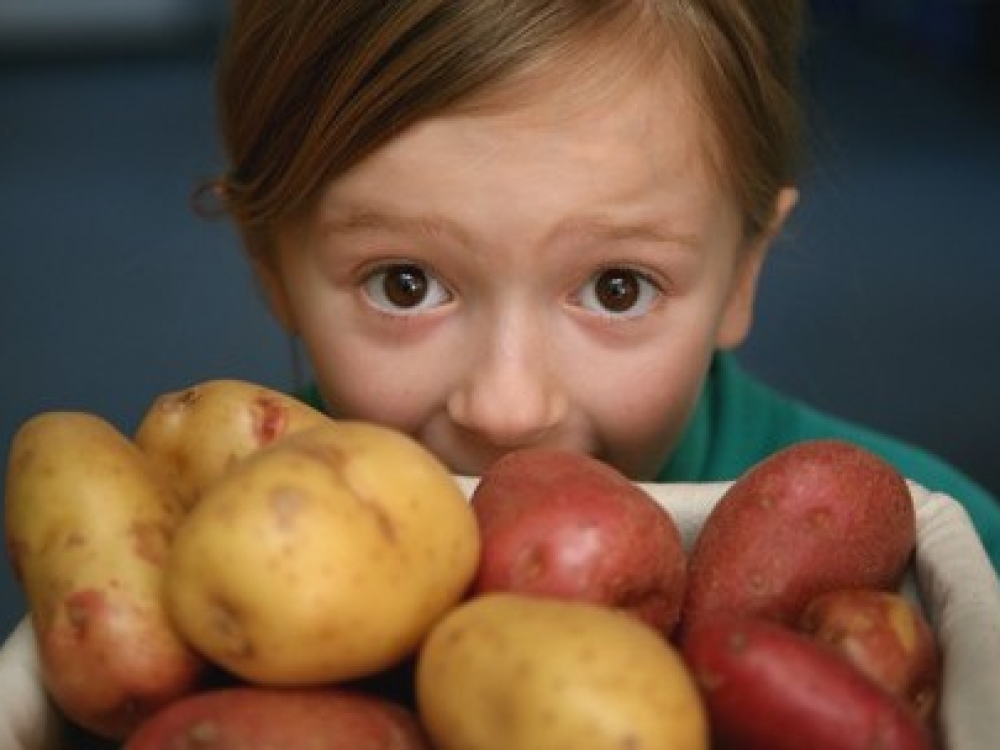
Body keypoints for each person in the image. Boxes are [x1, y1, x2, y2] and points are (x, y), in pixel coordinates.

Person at [3, 1, 999, 747]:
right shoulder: (197, 572)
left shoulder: (951, 546)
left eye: (616, 288)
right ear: (274, 271)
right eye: (404, 282)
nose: (507, 406)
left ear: (743, 271)